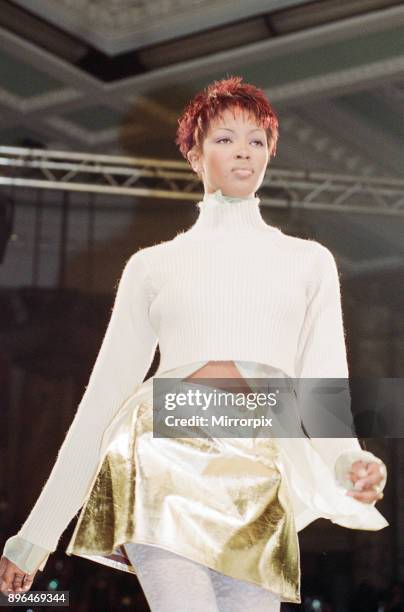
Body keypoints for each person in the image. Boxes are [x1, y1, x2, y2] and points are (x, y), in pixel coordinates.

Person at [0, 76, 388, 611]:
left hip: (257, 473)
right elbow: (103, 403)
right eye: (225, 138)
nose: (243, 152)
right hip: (165, 460)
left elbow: (324, 393)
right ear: (193, 153)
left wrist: (350, 465)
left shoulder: (310, 261)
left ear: (271, 152)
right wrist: (36, 535)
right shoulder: (152, 266)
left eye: (256, 140)